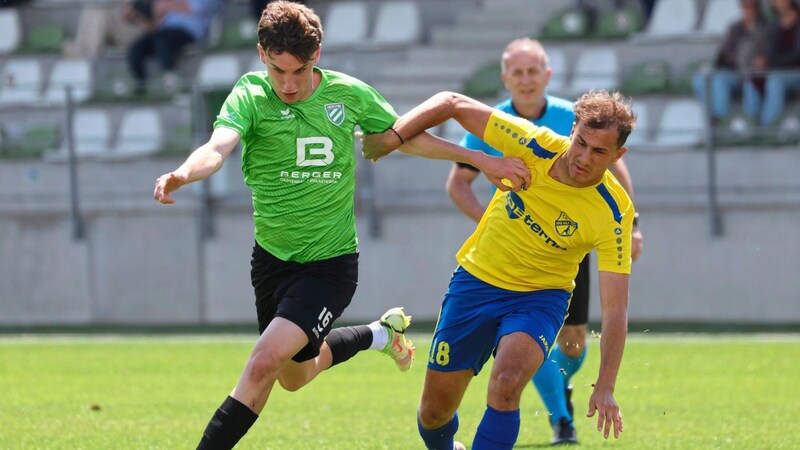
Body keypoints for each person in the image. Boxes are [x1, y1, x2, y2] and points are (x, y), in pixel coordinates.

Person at [153, 2, 529, 448]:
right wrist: (184, 173)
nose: (289, 85)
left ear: (318, 55)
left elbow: (406, 137)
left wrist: (482, 158)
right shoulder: (251, 94)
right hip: (271, 262)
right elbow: (217, 147)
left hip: (330, 266)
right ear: (261, 55)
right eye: (279, 72)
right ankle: (377, 335)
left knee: (262, 364)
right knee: (294, 377)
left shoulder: (347, 95)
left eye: (300, 71)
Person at [361, 89, 636, 450]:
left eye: (599, 152)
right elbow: (452, 103)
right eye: (581, 142)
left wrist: (606, 386)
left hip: (540, 299)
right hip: (476, 283)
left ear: (618, 155)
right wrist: (395, 137)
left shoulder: (614, 212)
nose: (584, 157)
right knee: (434, 413)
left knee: (506, 384)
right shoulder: (533, 144)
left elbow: (615, 310)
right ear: (572, 130)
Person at [445, 37, 642, 445]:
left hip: (569, 251)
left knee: (572, 345)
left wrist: (633, 223)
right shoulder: (494, 120)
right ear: (506, 78)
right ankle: (561, 417)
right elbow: (459, 183)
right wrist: (496, 224)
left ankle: (555, 386)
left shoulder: (573, 115)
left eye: (533, 71)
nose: (526, 79)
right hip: (510, 258)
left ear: (546, 75)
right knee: (517, 356)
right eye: (517, 72)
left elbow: (615, 176)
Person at [692, 0, 767, 124]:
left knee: (728, 81)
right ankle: (717, 117)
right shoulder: (735, 27)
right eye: (744, 6)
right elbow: (724, 52)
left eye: (751, 6)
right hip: (733, 71)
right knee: (701, 79)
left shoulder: (765, 27)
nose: (747, 9)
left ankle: (732, 121)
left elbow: (760, 53)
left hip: (751, 72)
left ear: (757, 8)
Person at [127, 0, 222, 95]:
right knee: (136, 48)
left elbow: (195, 9)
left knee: (163, 42)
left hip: (188, 31)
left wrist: (169, 5)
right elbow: (157, 19)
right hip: (165, 30)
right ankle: (140, 86)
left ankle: (170, 79)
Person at [745, 0, 800, 127]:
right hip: (775, 69)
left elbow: (797, 55)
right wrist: (761, 60)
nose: (777, 3)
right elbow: (768, 50)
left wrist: (769, 62)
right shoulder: (773, 26)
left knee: (775, 81)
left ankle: (768, 128)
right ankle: (749, 126)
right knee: (752, 80)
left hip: (794, 71)